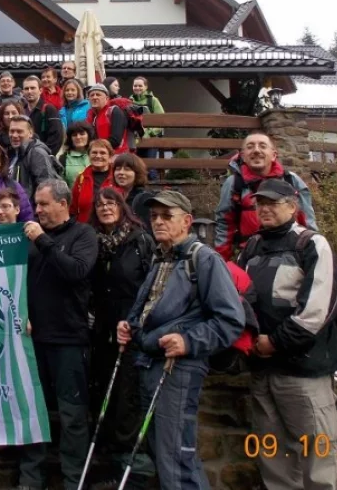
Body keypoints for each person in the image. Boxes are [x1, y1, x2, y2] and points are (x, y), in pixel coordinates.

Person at [117, 191, 244, 490]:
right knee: (165, 451)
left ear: (186, 221)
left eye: (166, 216)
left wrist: (189, 341)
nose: (158, 221)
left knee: (175, 455)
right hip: (151, 362)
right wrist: (130, 327)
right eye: (154, 216)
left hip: (178, 368)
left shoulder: (204, 259)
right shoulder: (162, 258)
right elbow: (149, 311)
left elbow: (230, 319)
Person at [237, 178, 337, 490]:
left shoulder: (312, 244)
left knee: (317, 449)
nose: (264, 209)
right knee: (272, 452)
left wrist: (275, 342)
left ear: (293, 207)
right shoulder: (251, 247)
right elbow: (239, 297)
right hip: (262, 367)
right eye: (260, 204)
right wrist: (250, 339)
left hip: (303, 369)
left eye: (273, 203)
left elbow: (318, 308)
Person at [19, 179, 98, 490]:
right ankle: (29, 479)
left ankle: (73, 481)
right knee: (33, 413)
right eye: (36, 204)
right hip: (33, 341)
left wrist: (44, 242)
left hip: (69, 339)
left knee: (72, 416)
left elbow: (77, 271)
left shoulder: (83, 234)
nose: (37, 210)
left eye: (43, 204)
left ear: (63, 204)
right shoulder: (30, 239)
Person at [88, 188, 155, 488]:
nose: (105, 207)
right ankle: (110, 462)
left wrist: (138, 323)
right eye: (100, 204)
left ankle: (133, 469)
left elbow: (152, 286)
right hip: (102, 329)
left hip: (132, 329)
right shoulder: (95, 243)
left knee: (127, 396)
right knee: (104, 392)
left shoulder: (139, 240)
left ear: (122, 206)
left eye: (111, 202)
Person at [214, 132, 317, 260]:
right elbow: (224, 223)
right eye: (250, 146)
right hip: (249, 255)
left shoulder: (291, 180)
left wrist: (312, 251)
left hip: (290, 254)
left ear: (274, 155)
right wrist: (222, 261)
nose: (256, 150)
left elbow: (307, 220)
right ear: (243, 156)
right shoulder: (234, 184)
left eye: (262, 146)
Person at [8, 115, 57, 203]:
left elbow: (46, 187)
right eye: (12, 131)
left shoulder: (37, 153)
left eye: (19, 131)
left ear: (30, 133)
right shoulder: (12, 153)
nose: (14, 135)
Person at [69, 139, 117, 224]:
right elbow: (73, 209)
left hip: (111, 230)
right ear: (88, 155)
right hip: (85, 229)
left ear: (110, 157)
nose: (98, 156)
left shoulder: (116, 177)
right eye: (94, 152)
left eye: (103, 153)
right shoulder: (81, 178)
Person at [23, 76, 64, 156]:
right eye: (26, 89)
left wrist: (44, 155)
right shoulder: (21, 111)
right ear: (23, 91)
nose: (29, 91)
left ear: (40, 90)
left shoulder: (49, 109)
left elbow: (57, 137)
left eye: (33, 88)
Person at [111, 152, 156, 224]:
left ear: (137, 173)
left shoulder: (143, 198)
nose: (121, 172)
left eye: (127, 169)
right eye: (118, 169)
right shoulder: (119, 196)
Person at [85, 84, 130, 155]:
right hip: (100, 154)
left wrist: (96, 147)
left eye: (98, 95)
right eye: (92, 95)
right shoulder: (92, 116)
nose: (94, 97)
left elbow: (115, 140)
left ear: (107, 98)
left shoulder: (114, 111)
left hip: (118, 155)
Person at [131, 76, 165, 161]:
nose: (137, 88)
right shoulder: (129, 101)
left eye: (140, 86)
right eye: (135, 86)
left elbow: (161, 119)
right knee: (136, 165)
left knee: (150, 166)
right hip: (135, 139)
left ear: (146, 87)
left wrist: (150, 133)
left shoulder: (153, 100)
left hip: (151, 138)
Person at [59, 122, 93, 188]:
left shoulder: (96, 155)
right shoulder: (63, 158)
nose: (78, 137)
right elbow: (61, 185)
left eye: (82, 134)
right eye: (74, 135)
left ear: (89, 136)